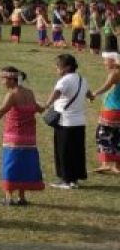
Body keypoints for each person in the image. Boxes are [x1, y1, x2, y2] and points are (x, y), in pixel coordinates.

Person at [0, 67, 44, 205]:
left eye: (3, 79)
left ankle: (8, 197)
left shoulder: (12, 95)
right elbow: (38, 108)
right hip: (30, 137)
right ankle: (22, 197)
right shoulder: (29, 93)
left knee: (11, 165)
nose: (1, 82)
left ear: (12, 80)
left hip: (14, 136)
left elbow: (0, 111)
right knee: (24, 165)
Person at [43, 53, 90, 189]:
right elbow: (88, 93)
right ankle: (74, 179)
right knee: (76, 151)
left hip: (65, 122)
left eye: (58, 67)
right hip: (79, 122)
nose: (57, 70)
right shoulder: (82, 79)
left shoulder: (64, 80)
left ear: (67, 67)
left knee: (63, 151)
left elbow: (56, 93)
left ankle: (66, 180)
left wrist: (46, 105)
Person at [92, 50, 120, 173]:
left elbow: (105, 87)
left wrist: (94, 93)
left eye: (106, 60)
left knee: (103, 135)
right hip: (117, 110)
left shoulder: (115, 74)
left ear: (114, 61)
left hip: (111, 110)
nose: (104, 63)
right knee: (117, 137)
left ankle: (106, 163)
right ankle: (116, 165)